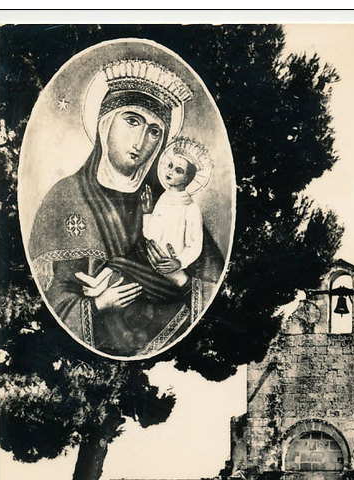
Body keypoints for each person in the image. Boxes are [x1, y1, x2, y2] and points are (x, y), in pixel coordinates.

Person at [27, 58, 224, 358]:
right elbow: (42, 298)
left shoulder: (168, 201)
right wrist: (97, 306)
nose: (141, 141)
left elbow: (214, 291)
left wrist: (180, 279)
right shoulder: (64, 197)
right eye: (132, 121)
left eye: (155, 131)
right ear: (105, 122)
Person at [142, 136, 213, 276]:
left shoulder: (191, 209)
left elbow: (194, 245)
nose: (170, 172)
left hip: (171, 270)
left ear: (187, 178)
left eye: (178, 170)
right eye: (170, 166)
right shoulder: (163, 199)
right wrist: (147, 213)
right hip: (151, 261)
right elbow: (150, 234)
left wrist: (179, 262)